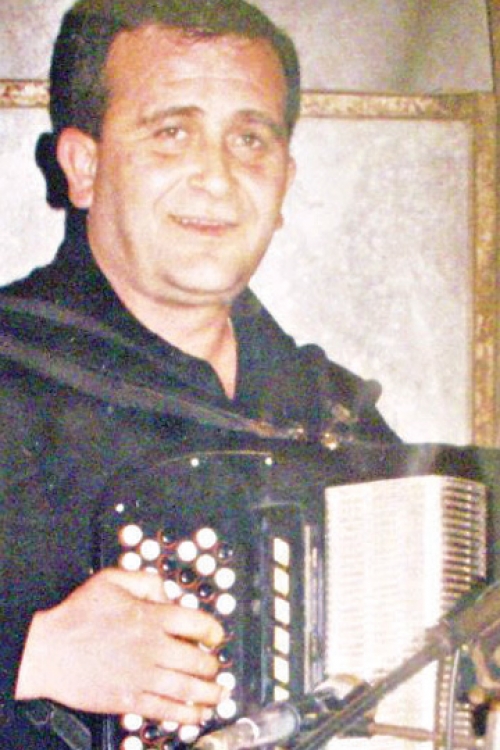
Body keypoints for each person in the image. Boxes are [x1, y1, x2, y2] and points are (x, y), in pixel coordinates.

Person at [0, 0, 399, 747]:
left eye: (249, 139)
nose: (217, 178)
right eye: (172, 132)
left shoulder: (336, 415)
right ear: (83, 167)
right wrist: (30, 657)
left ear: (284, 181)